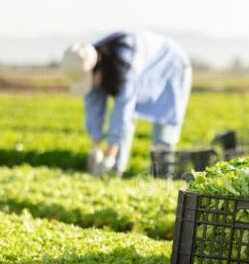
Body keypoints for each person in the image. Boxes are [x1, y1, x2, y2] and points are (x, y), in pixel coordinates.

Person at [61, 31, 192, 176]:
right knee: (117, 134)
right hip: (144, 67)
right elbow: (93, 107)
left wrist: (109, 157)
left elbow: (122, 114)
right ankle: (116, 171)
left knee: (164, 127)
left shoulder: (124, 62)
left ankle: (161, 176)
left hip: (171, 66)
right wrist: (96, 148)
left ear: (96, 70)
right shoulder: (86, 61)